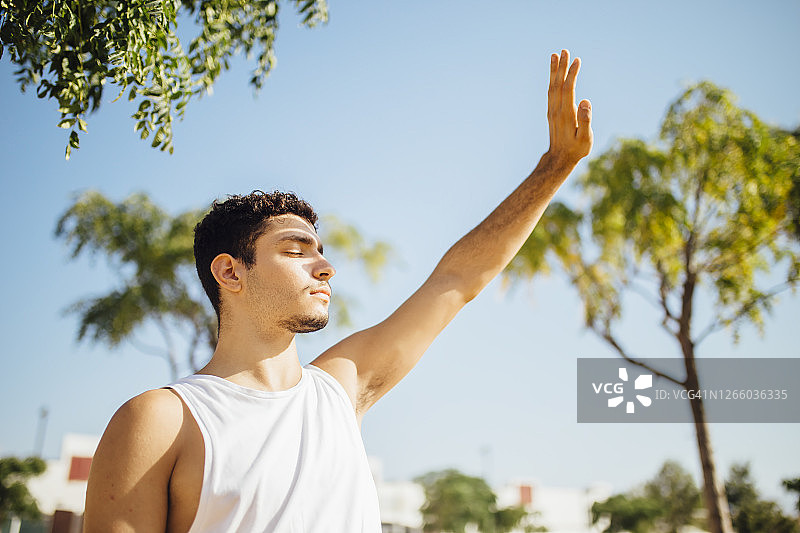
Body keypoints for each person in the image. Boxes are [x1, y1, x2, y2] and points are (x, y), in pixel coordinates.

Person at [83, 49, 593, 532]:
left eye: (321, 251)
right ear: (231, 273)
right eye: (295, 250)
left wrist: (554, 169)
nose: (325, 266)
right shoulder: (161, 419)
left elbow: (456, 281)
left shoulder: (338, 390)